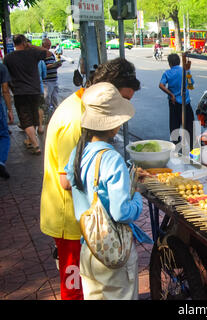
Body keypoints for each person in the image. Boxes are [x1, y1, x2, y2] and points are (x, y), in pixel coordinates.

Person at [40, 58, 141, 300]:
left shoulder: (86, 119)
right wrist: (130, 192)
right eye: (123, 101)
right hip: (77, 226)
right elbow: (67, 180)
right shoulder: (76, 120)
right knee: (74, 293)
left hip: (85, 228)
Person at [64, 82, 150, 300]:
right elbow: (122, 212)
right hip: (113, 253)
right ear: (113, 124)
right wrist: (138, 194)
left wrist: (128, 178)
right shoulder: (111, 158)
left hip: (89, 250)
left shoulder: (79, 150)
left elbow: (82, 184)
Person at [3, 34, 52, 155]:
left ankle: (35, 144)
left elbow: (6, 76)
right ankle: (31, 141)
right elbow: (48, 53)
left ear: (14, 44)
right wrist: (32, 46)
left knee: (26, 119)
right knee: (34, 116)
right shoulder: (32, 53)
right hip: (35, 90)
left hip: (20, 91)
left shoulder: (8, 58)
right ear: (24, 42)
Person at [159, 53, 195, 149]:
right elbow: (191, 86)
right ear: (179, 62)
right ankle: (192, 148)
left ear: (169, 63)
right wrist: (188, 71)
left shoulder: (167, 73)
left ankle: (176, 148)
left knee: (174, 126)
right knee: (189, 127)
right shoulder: (185, 71)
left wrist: (171, 94)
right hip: (186, 103)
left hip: (173, 103)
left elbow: (161, 85)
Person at [0, 63, 13, 179]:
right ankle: (1, 162)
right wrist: (9, 110)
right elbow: (5, 90)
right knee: (4, 135)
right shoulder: (1, 67)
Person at [42, 38, 62, 113]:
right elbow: (42, 67)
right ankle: (46, 113)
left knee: (55, 98)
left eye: (50, 45)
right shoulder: (41, 54)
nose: (49, 47)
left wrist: (57, 65)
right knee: (46, 98)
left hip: (54, 79)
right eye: (47, 45)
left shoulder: (51, 54)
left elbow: (53, 64)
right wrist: (51, 66)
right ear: (43, 45)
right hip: (46, 81)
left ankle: (54, 113)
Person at [37, 59, 47, 134]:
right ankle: (40, 127)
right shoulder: (40, 61)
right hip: (38, 87)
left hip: (26, 88)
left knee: (30, 109)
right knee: (39, 107)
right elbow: (44, 75)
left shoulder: (22, 59)